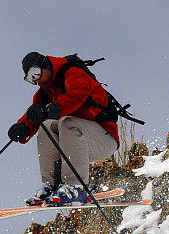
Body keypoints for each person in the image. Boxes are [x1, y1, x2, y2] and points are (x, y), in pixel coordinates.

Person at [8, 52, 119, 206]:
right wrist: (23, 128)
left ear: (45, 65)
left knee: (67, 123)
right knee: (46, 126)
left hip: (104, 139)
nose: (36, 80)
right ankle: (51, 186)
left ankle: (76, 187)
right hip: (76, 147)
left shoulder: (72, 72)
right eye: (31, 79)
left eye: (35, 73)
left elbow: (77, 94)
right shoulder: (44, 94)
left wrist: (55, 108)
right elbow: (33, 117)